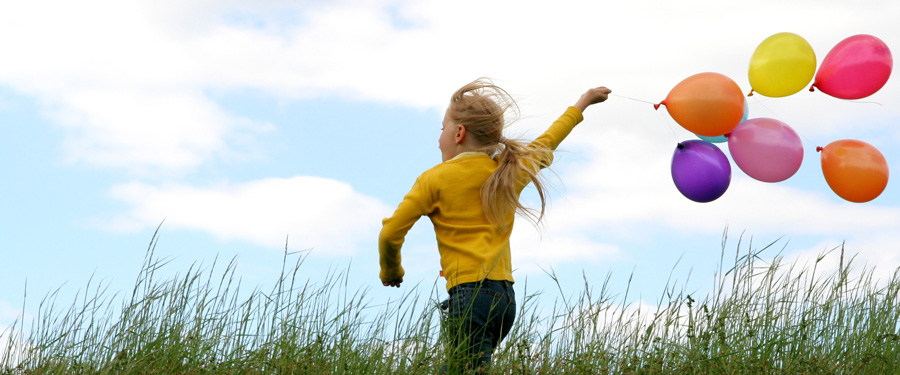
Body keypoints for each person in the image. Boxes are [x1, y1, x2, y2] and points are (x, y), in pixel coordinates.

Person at [378, 78, 611, 373]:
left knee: (466, 369)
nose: (439, 138)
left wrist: (391, 270)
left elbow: (390, 233)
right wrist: (583, 103)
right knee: (463, 368)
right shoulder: (508, 171)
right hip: (504, 300)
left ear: (459, 133)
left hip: (469, 296)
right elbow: (549, 139)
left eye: (442, 129)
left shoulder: (433, 180)